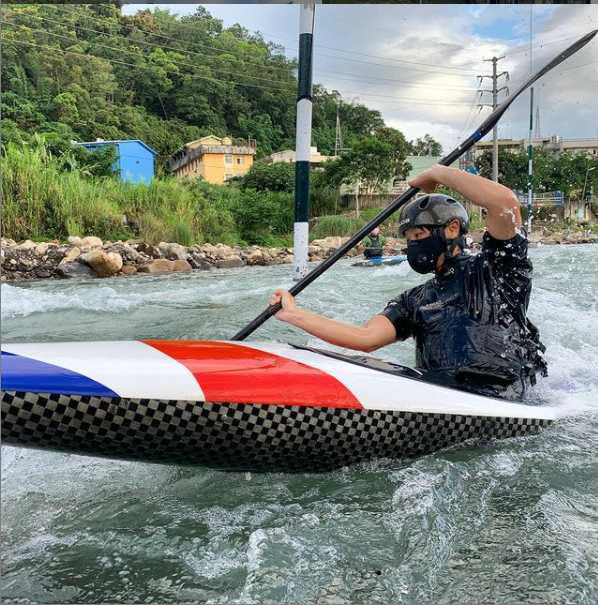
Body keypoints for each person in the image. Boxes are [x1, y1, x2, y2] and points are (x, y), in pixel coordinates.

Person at [270, 165, 547, 401]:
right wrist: (294, 314)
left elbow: (505, 204)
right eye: (409, 238)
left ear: (452, 229)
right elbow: (365, 339)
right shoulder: (414, 300)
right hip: (444, 401)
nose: (413, 245)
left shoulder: (496, 268)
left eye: (419, 234)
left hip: (506, 399)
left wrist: (437, 173)